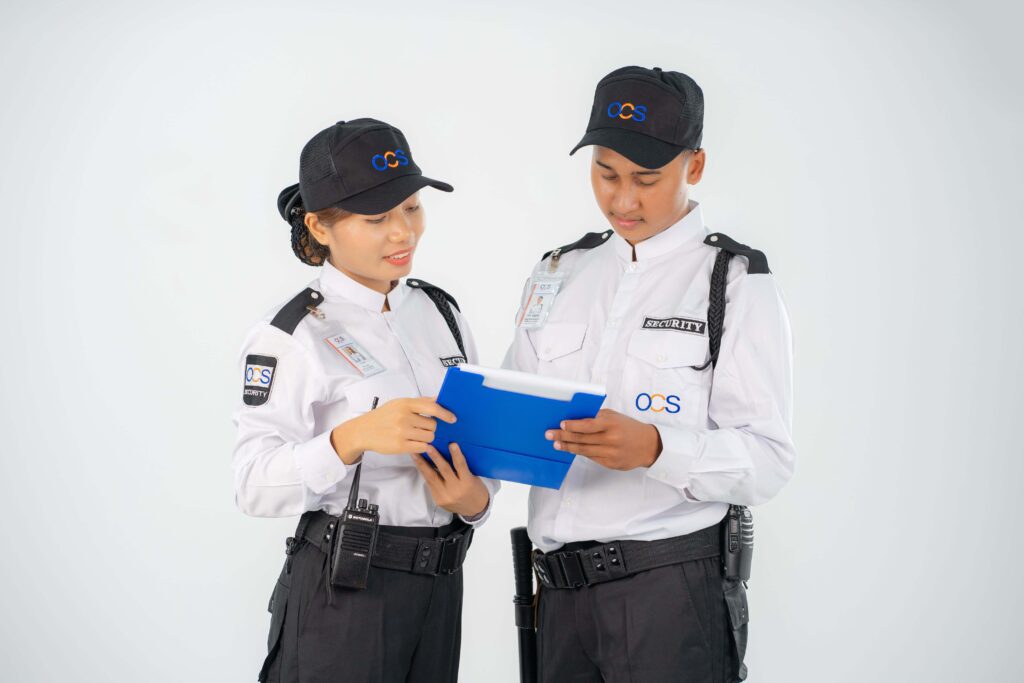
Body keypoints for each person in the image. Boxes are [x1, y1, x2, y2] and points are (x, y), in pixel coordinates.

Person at [503, 66, 796, 682]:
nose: (623, 200)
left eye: (647, 178)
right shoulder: (557, 273)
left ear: (696, 165)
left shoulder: (733, 281)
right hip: (556, 597)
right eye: (606, 173)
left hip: (667, 594)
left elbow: (768, 459)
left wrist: (657, 448)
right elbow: (513, 416)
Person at [233, 118, 499, 683]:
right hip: (344, 591)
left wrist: (475, 500)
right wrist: (350, 439)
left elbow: (474, 451)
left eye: (411, 208)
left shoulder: (440, 315)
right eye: (377, 218)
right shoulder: (291, 335)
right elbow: (252, 484)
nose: (403, 233)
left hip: (440, 587)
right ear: (320, 226)